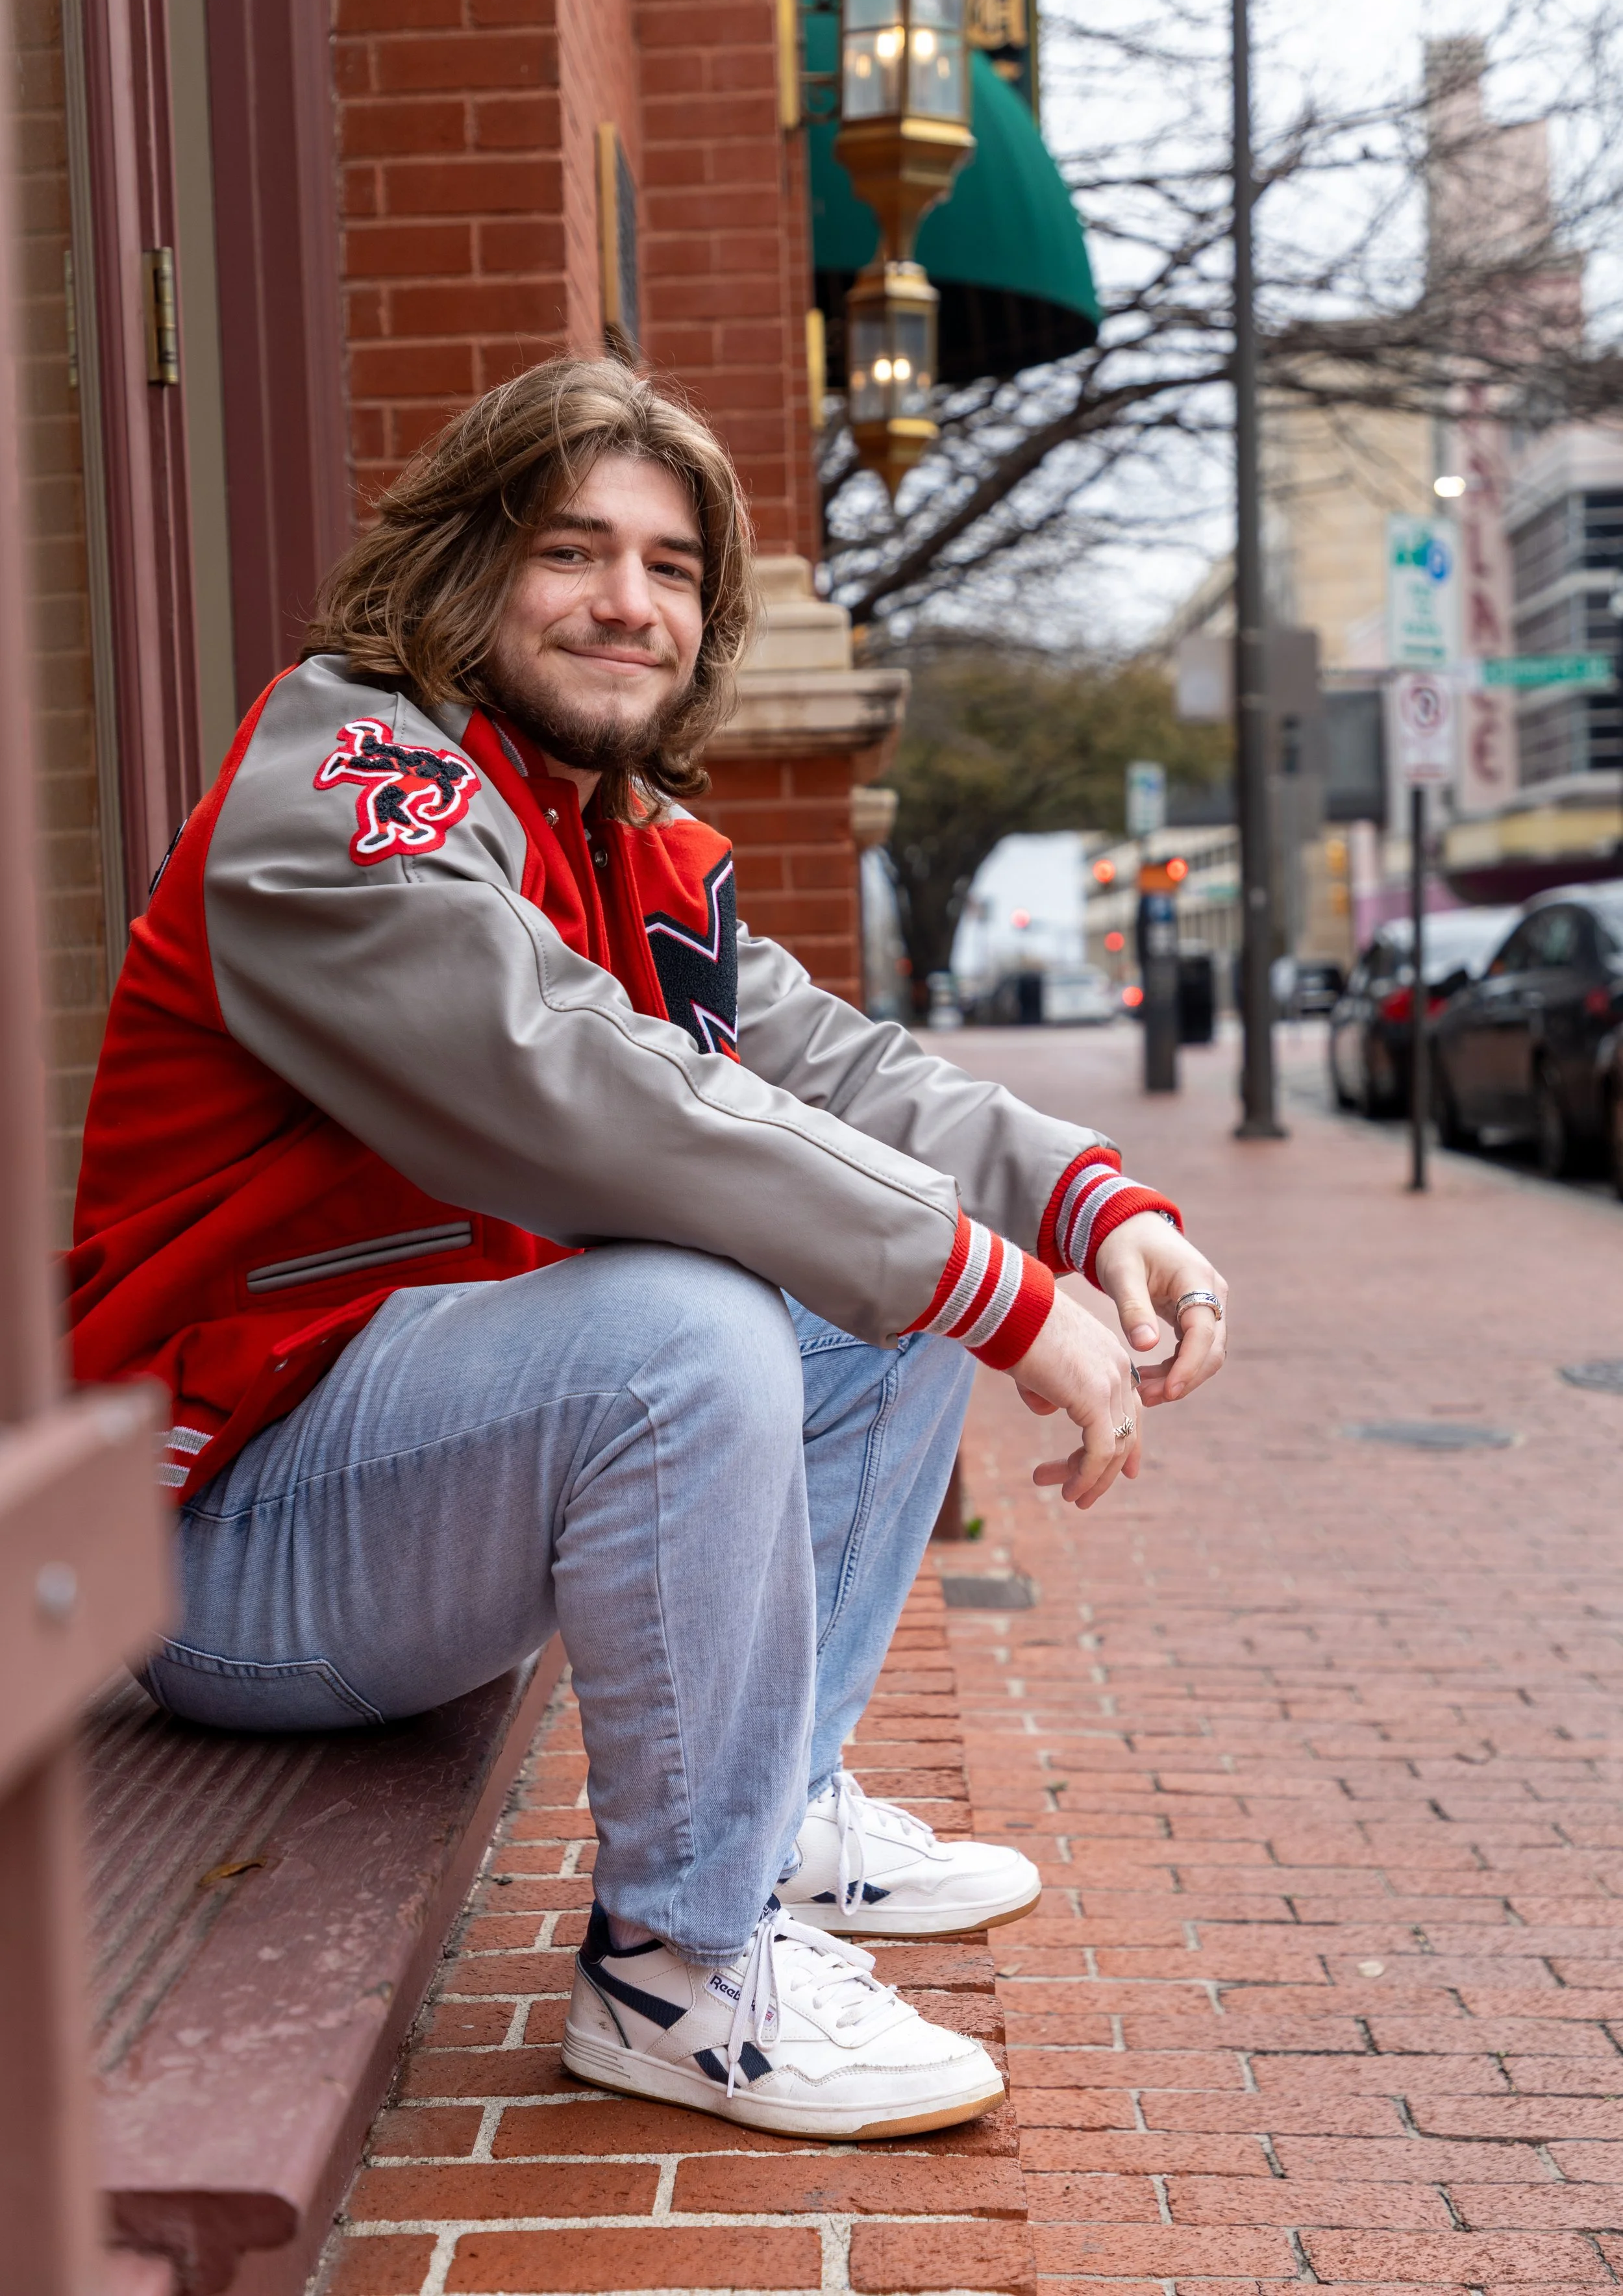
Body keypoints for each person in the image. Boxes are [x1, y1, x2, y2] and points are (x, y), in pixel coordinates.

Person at [69, 357, 1228, 2141]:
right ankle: (677, 1967)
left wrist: (1083, 1200)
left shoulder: (614, 839)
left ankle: (774, 1810)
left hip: (407, 1490)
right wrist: (993, 1292)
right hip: (220, 1544)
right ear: (464, 568)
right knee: (698, 1317)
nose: (628, 600)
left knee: (876, 1281)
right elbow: (577, 1087)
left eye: (672, 566)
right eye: (571, 550)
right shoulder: (349, 782)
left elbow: (828, 1067)